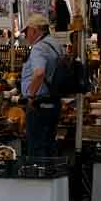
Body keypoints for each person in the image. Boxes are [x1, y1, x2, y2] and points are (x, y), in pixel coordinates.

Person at [20, 14, 62, 158]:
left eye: (26, 32)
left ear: (34, 30)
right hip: (54, 102)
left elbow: (39, 73)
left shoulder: (39, 48)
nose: (26, 36)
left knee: (37, 147)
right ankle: (49, 176)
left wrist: (31, 96)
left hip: (40, 103)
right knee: (48, 144)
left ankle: (39, 177)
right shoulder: (56, 45)